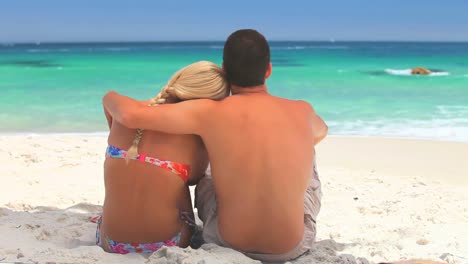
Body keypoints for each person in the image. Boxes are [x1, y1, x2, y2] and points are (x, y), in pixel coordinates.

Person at [103, 29, 328, 262]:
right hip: (289, 247)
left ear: (224, 69)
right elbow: (321, 132)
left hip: (228, 242)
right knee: (307, 157)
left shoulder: (209, 112)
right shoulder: (302, 110)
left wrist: (112, 97)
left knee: (210, 169)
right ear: (268, 69)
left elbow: (129, 116)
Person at [98, 61, 230, 254]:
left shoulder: (126, 112)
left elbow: (107, 97)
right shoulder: (194, 136)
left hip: (110, 241)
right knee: (187, 178)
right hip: (169, 241)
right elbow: (195, 178)